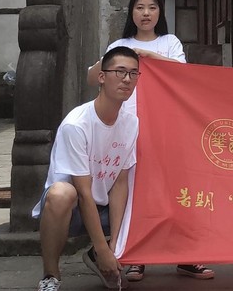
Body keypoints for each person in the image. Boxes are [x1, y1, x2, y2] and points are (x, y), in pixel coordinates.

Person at [87, 0, 214, 282]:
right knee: (133, 192)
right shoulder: (120, 45)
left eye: (152, 7)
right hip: (127, 128)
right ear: (131, 12)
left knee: (175, 191)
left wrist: (148, 56)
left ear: (160, 12)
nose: (146, 13)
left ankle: (186, 256)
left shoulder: (170, 42)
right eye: (140, 7)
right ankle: (136, 256)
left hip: (167, 129)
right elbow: (94, 77)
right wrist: (114, 57)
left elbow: (183, 74)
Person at [33, 46, 141, 291]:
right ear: (101, 77)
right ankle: (50, 275)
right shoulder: (77, 124)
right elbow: (83, 192)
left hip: (102, 208)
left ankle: (100, 256)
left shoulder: (131, 123)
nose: (127, 79)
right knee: (62, 193)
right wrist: (104, 250)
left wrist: (114, 247)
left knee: (148, 193)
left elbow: (120, 182)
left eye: (133, 73)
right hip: (70, 210)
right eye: (120, 71)